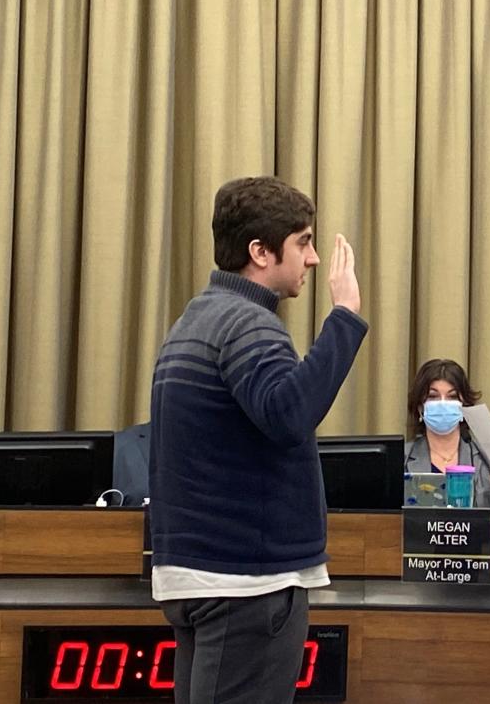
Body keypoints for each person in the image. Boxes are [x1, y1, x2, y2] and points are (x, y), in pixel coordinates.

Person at [149, 176, 366, 704]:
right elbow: (290, 415)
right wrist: (344, 318)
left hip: (202, 579)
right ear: (261, 253)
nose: (313, 259)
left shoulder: (195, 319)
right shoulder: (250, 325)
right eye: (303, 242)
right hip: (246, 585)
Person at [404, 358, 490, 512]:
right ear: (419, 407)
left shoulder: (489, 461)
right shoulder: (402, 459)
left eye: (452, 397)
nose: (443, 403)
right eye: (433, 396)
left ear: (464, 404)